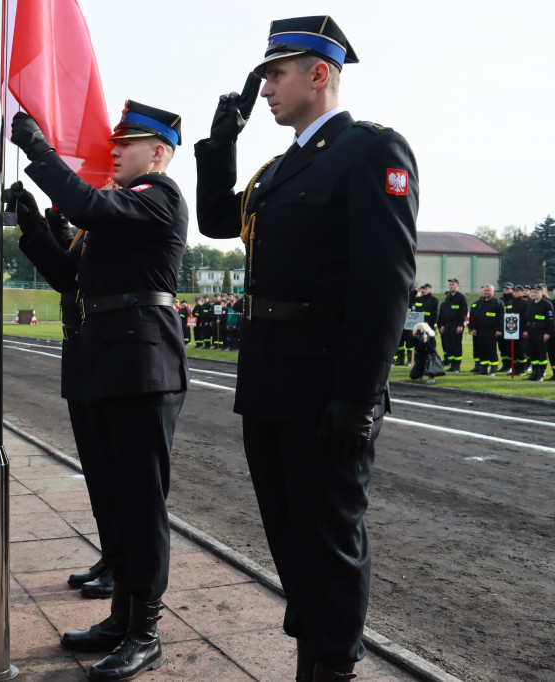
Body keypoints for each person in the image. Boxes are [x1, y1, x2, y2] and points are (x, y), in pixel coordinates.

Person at [194, 16, 417, 681]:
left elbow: (385, 285)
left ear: (318, 74)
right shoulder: (279, 167)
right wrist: (220, 144)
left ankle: (331, 665)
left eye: (274, 73)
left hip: (325, 388)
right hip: (269, 381)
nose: (264, 88)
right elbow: (214, 221)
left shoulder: (371, 151)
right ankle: (311, 651)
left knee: (329, 540)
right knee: (290, 536)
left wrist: (357, 397)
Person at [11, 99, 189, 681]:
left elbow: (87, 202)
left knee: (140, 503)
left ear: (158, 152)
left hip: (141, 367)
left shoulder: (158, 197)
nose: (113, 151)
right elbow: (67, 274)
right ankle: (120, 616)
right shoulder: (113, 216)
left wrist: (39, 151)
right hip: (107, 363)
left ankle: (145, 632)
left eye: (126, 143)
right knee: (113, 496)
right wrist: (32, 217)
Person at [13, 197, 115, 600]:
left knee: (113, 473)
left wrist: (53, 220)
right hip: (81, 353)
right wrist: (50, 218)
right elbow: (68, 263)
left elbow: (77, 272)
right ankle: (111, 554)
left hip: (104, 356)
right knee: (98, 471)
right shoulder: (89, 231)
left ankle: (120, 561)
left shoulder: (116, 220)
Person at [468, 284, 503, 375]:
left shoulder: (498, 303)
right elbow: (475, 317)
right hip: (480, 330)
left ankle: (493, 368)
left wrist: (499, 329)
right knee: (481, 349)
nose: (486, 292)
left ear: (493, 292)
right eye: (485, 290)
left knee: (491, 349)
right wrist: (474, 328)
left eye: (488, 290)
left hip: (492, 331)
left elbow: (501, 318)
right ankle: (483, 368)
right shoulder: (480, 303)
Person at [522, 284, 554, 381]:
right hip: (531, 331)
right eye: (534, 292)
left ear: (542, 292)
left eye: (537, 292)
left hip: (541, 332)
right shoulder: (531, 303)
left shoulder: (547, 304)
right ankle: (534, 373)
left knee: (541, 353)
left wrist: (548, 333)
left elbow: (551, 320)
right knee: (532, 353)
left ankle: (541, 373)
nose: (535, 293)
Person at [438, 278, 468, 372]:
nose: (451, 286)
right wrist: (442, 325)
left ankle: (457, 366)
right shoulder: (448, 297)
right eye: (450, 284)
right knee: (448, 345)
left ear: (457, 285)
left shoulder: (461, 297)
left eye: (453, 284)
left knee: (456, 345)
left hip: (456, 324)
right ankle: (451, 364)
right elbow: (444, 312)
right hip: (447, 325)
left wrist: (460, 325)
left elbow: (463, 311)